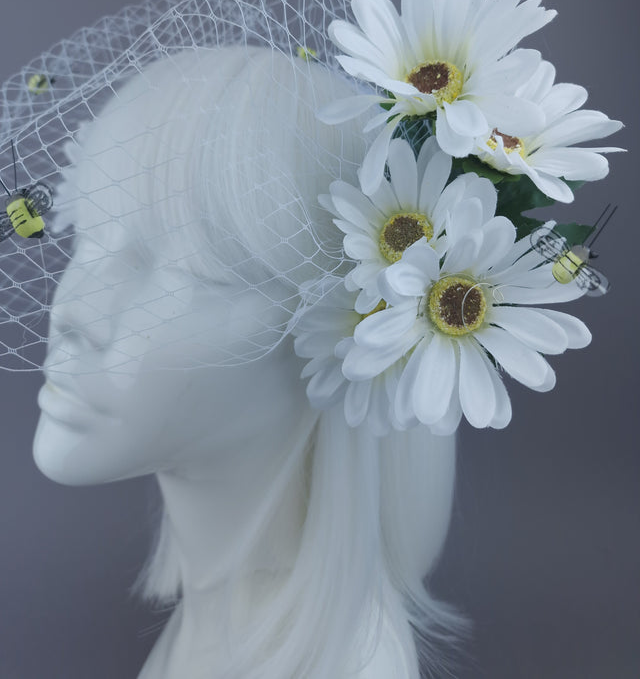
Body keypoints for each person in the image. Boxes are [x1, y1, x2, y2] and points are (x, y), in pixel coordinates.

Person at [33, 45, 461, 679]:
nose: (69, 315)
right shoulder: (221, 628)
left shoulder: (342, 665)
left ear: (355, 326)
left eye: (186, 273)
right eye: (88, 236)